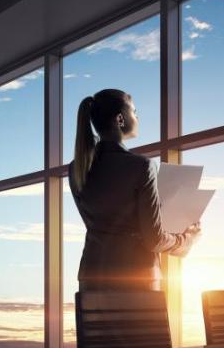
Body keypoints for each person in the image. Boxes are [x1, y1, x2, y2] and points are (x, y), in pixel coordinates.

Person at [68, 88, 201, 292]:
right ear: (120, 119)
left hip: (91, 276)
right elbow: (154, 238)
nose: (137, 116)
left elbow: (99, 223)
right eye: (134, 111)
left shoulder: (77, 167)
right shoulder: (141, 166)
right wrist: (187, 240)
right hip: (136, 280)